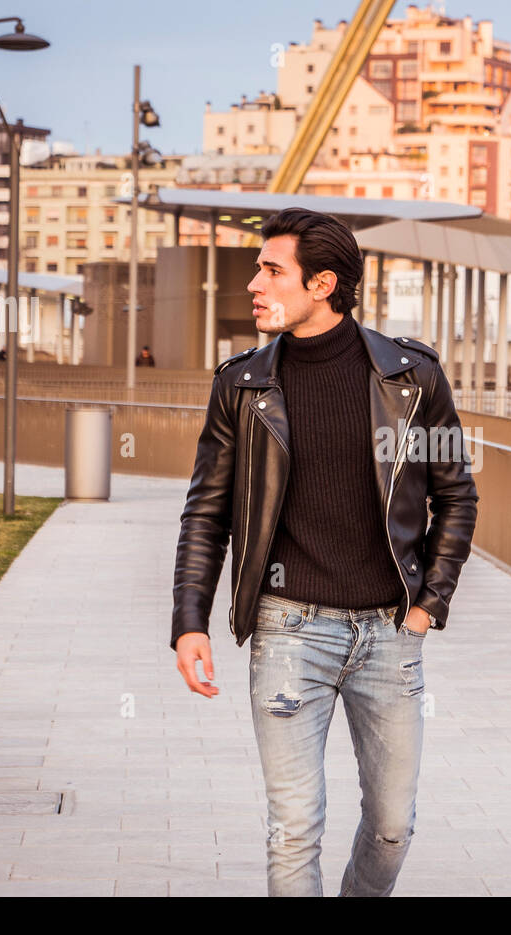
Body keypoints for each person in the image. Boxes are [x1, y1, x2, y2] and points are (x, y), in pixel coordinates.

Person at [170, 207, 479, 897]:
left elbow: (457, 495)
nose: (254, 282)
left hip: (388, 636)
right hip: (287, 632)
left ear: (323, 284)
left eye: (272, 270)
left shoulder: (413, 380)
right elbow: (207, 511)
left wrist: (428, 605)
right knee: (295, 826)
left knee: (393, 825)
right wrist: (189, 619)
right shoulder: (242, 386)